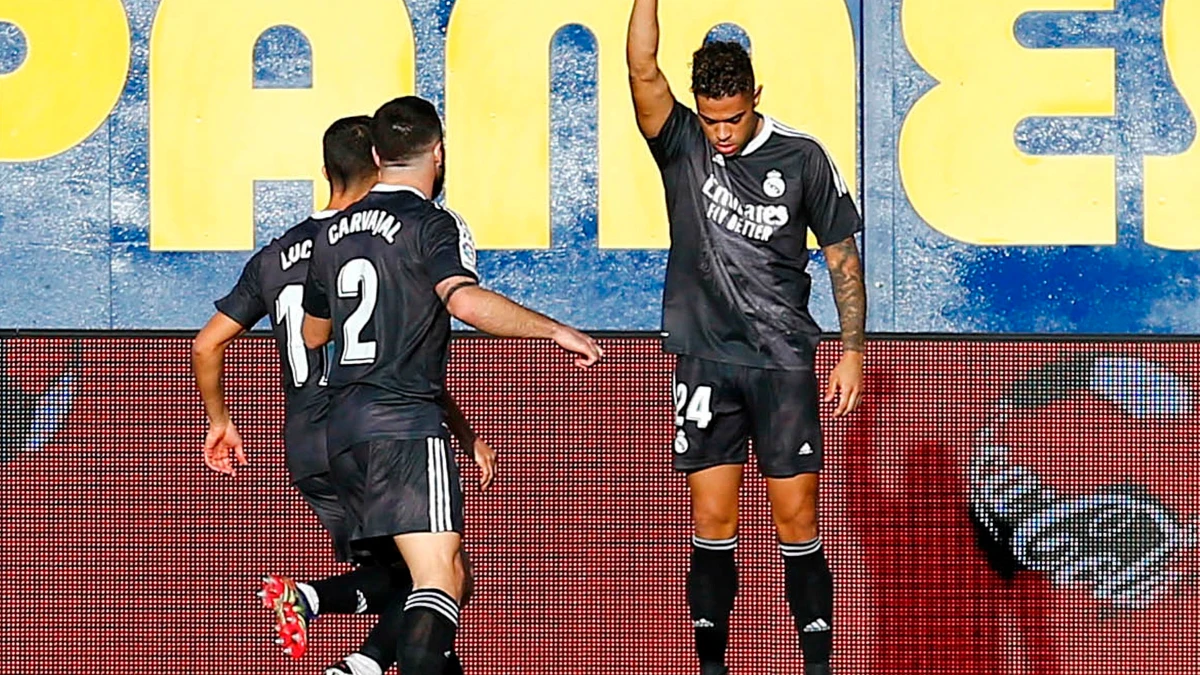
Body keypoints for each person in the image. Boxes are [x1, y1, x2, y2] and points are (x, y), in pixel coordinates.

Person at [300, 95, 603, 675]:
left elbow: (315, 334)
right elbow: (463, 299)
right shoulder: (433, 223)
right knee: (442, 579)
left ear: (374, 154)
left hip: (343, 431)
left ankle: (359, 665)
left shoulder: (333, 234)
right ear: (437, 153)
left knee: (420, 583)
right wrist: (554, 330)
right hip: (404, 426)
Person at [192, 116, 491, 675]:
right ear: (380, 164)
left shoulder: (278, 253)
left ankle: (352, 655)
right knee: (438, 576)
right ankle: (325, 618)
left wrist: (220, 421)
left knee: (413, 581)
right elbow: (405, 351)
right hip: (379, 424)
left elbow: (209, 346)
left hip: (312, 446)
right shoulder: (391, 233)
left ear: (325, 170)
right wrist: (464, 430)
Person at [626, 2, 867, 673]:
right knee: (712, 521)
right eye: (711, 118)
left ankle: (816, 662)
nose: (722, 132)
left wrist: (851, 350)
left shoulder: (803, 157)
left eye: (732, 117)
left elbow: (843, 258)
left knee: (796, 518)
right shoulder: (681, 142)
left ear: (755, 96)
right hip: (704, 358)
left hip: (783, 359)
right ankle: (711, 664)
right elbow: (641, 65)